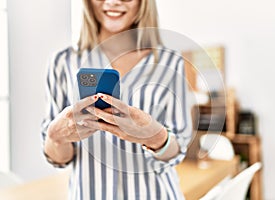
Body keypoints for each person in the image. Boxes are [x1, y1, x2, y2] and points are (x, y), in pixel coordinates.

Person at [41, 0, 192, 199]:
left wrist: (155, 137)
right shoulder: (63, 62)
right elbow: (60, 159)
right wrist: (55, 137)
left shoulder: (170, 62)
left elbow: (177, 151)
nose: (112, 2)